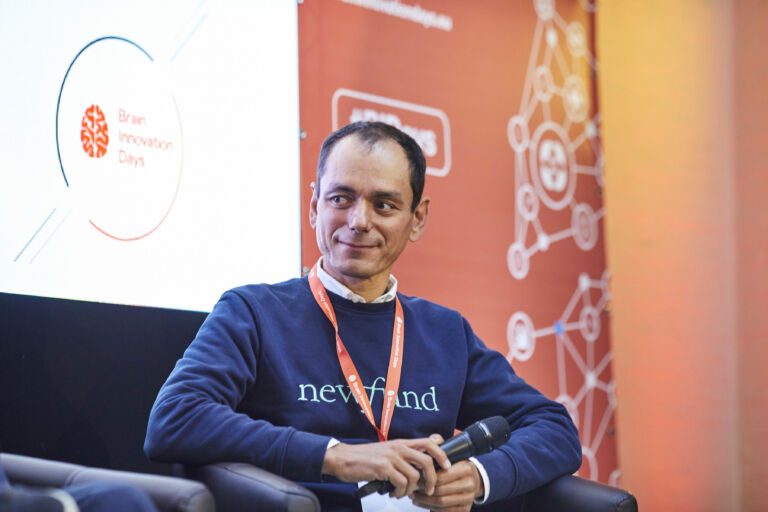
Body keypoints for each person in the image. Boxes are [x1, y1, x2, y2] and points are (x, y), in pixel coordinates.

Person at [144, 121, 581, 511]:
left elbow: (554, 427)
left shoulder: (445, 332)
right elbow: (176, 418)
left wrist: (481, 477)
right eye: (341, 198)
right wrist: (337, 456)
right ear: (314, 206)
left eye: (384, 205)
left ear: (417, 219)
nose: (358, 221)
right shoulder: (254, 312)